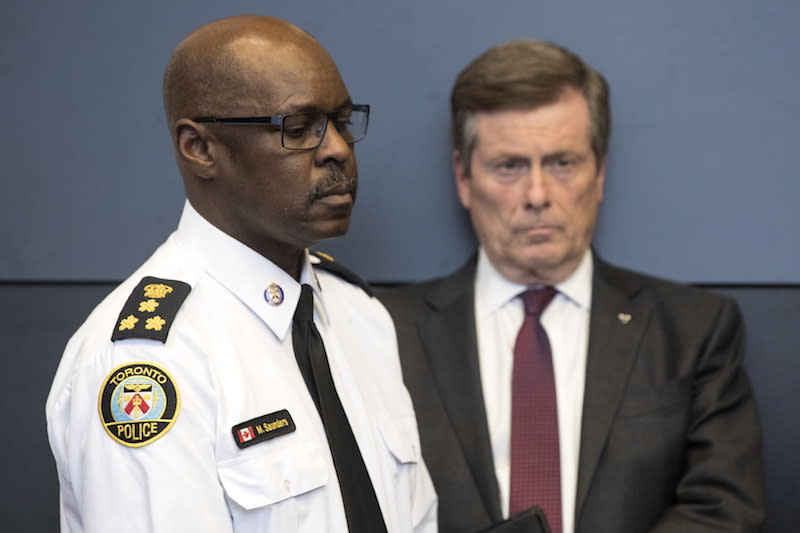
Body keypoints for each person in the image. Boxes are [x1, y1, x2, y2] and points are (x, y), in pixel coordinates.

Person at [46, 15, 436, 533]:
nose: (339, 149)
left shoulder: (358, 315)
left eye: (342, 121)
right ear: (200, 148)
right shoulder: (149, 359)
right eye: (298, 129)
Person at [378, 39, 763, 533]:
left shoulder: (692, 332)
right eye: (509, 166)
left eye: (562, 163)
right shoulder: (383, 331)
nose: (537, 195)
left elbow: (723, 512)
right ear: (464, 178)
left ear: (599, 173)